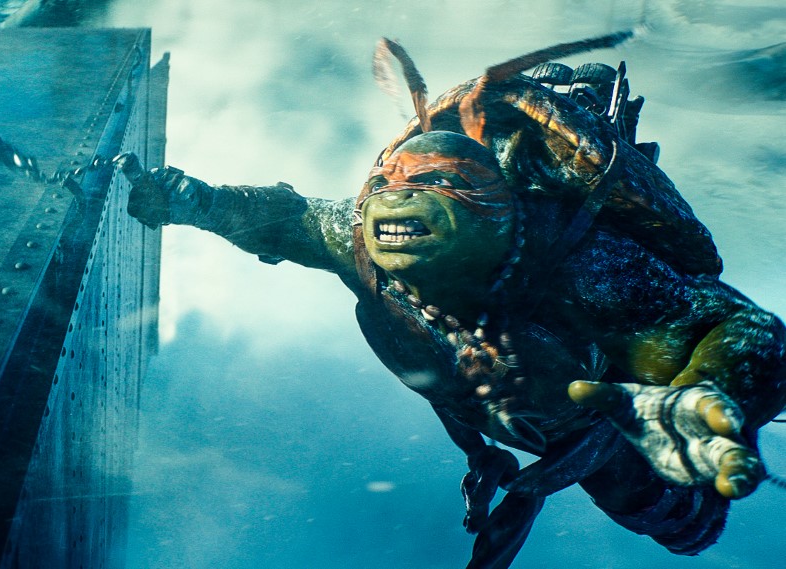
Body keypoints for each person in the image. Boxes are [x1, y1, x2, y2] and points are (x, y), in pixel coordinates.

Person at [115, 36, 786, 569]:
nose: (400, 204)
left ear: (493, 210)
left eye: (437, 186)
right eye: (396, 185)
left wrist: (708, 389)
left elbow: (741, 327)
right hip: (521, 409)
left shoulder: (587, 269)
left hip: (594, 422)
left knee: (680, 522)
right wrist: (194, 201)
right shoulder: (362, 237)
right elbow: (286, 218)